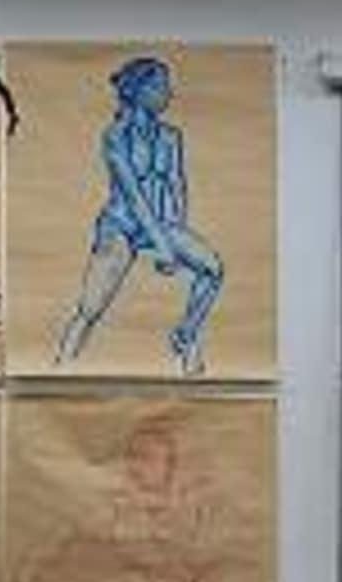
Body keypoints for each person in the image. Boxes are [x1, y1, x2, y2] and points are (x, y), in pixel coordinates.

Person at [53, 53, 226, 377]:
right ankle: (62, 365)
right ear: (137, 90)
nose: (168, 93)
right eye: (160, 86)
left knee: (213, 269)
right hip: (121, 225)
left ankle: (186, 332)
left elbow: (176, 187)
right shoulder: (115, 136)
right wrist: (164, 246)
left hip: (159, 225)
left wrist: (174, 233)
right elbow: (134, 197)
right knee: (90, 308)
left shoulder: (171, 136)